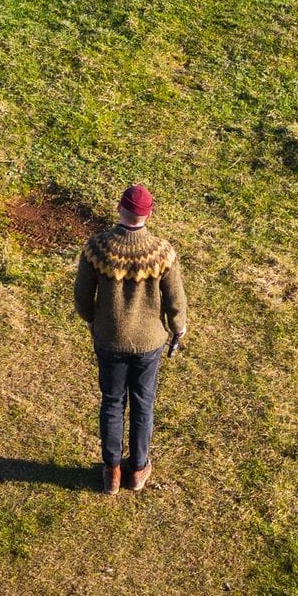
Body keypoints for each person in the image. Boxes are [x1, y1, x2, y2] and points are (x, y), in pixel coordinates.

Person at [73, 182, 187, 495]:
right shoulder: (162, 252)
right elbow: (175, 299)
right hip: (149, 342)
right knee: (143, 403)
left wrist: (93, 321)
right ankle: (137, 469)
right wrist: (178, 327)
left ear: (119, 208)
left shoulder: (97, 248)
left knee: (112, 402)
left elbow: (82, 298)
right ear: (148, 214)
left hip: (109, 339)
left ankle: (111, 470)